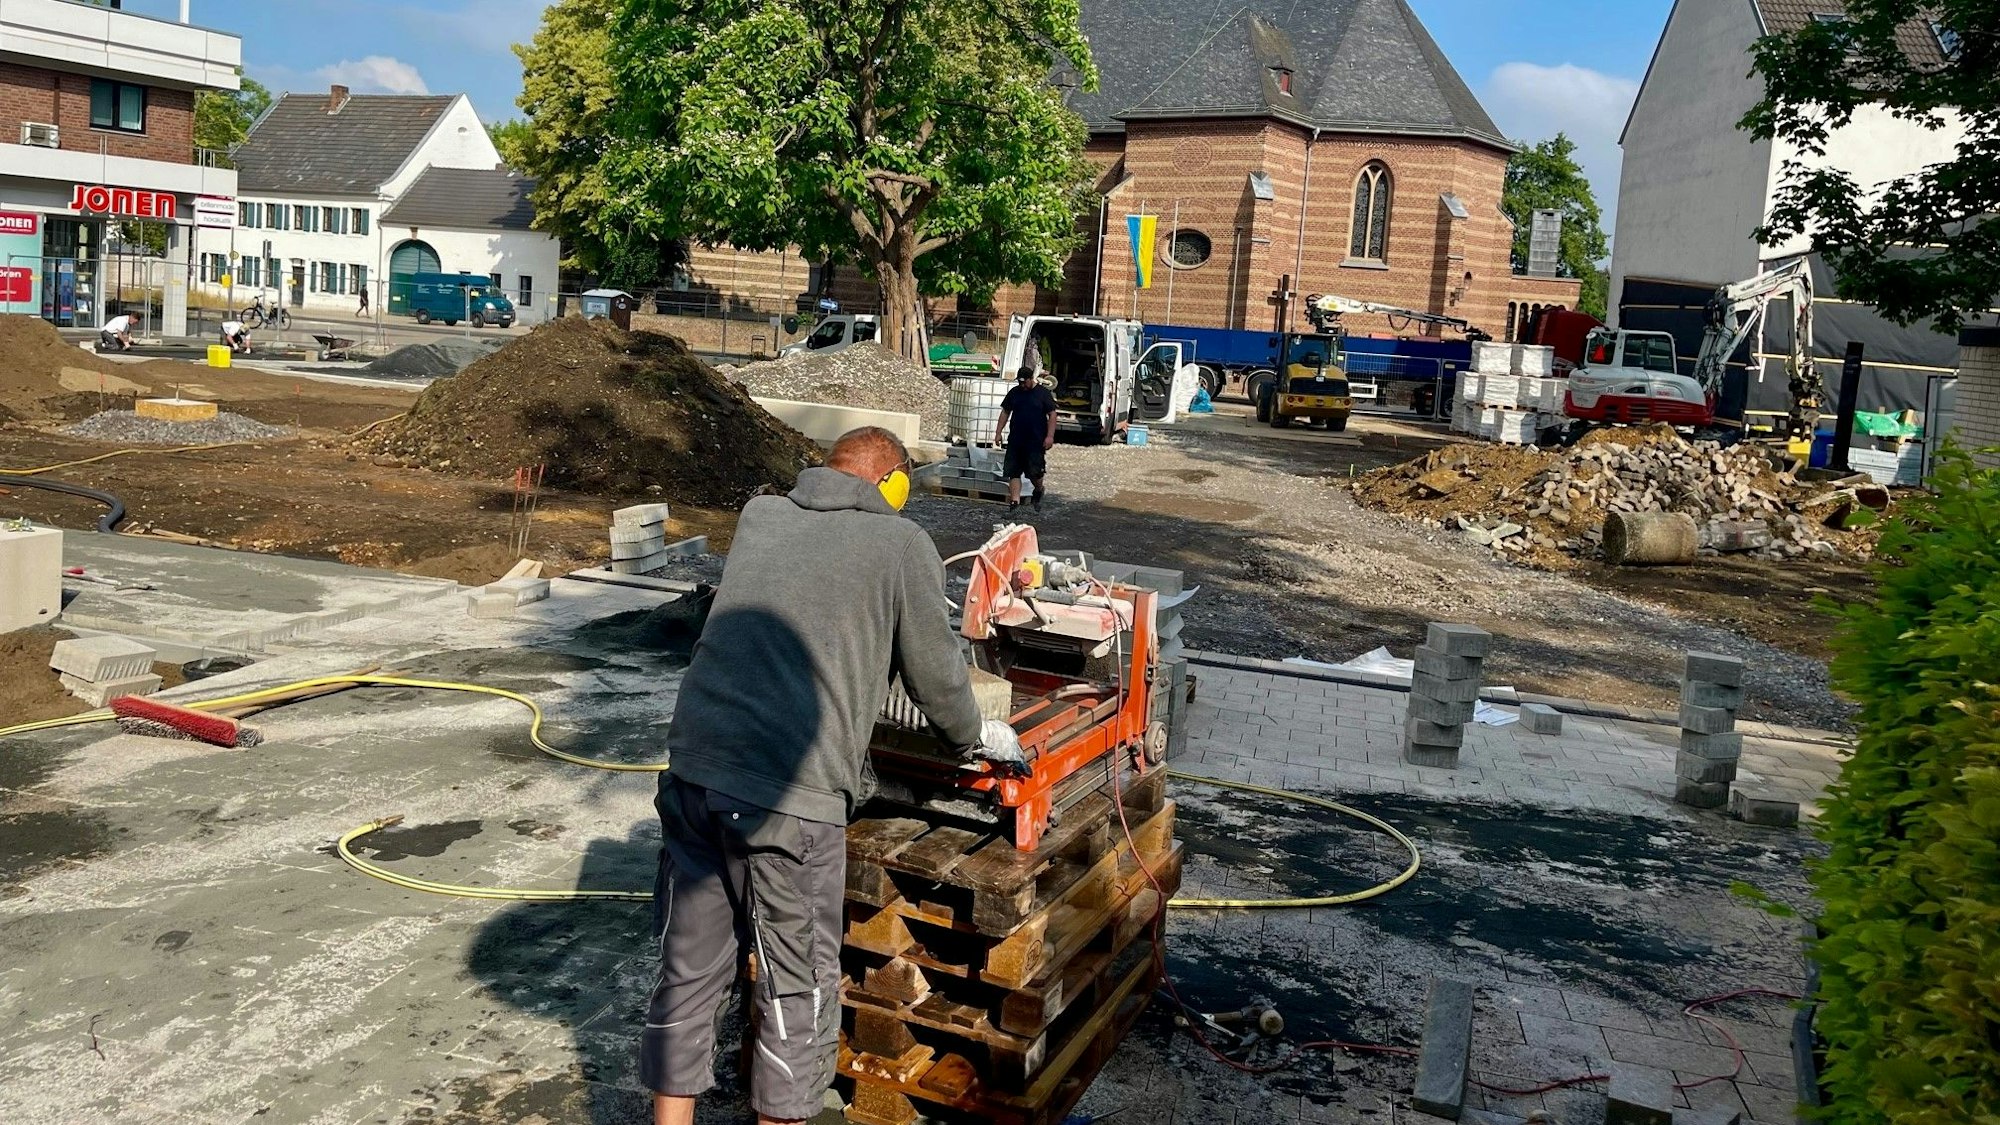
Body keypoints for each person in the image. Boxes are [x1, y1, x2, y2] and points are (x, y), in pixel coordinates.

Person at [643, 426, 1026, 1125]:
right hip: (789, 797)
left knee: (688, 971)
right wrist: (977, 735)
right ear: (893, 483)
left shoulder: (762, 514)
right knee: (796, 987)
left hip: (693, 773)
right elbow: (936, 676)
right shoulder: (901, 543)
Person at [994, 366, 1058, 511]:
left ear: (1031, 379)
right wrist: (998, 432)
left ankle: (1039, 489)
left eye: (1024, 382)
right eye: (1020, 382)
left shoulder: (1042, 394)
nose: (1022, 385)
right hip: (1016, 440)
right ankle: (1014, 504)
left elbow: (1052, 414)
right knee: (1013, 472)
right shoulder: (1014, 393)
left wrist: (1050, 436)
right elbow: (1005, 412)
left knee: (1035, 473)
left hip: (1036, 440)